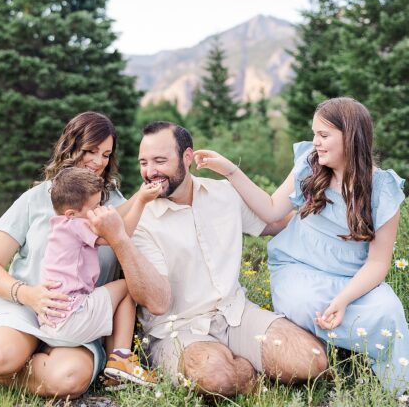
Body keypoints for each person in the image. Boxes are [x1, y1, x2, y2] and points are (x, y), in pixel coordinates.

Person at [0, 111, 171, 398]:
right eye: (90, 151)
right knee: (0, 356)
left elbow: (131, 264)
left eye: (106, 154)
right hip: (25, 307)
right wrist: (28, 295)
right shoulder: (37, 198)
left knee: (68, 380)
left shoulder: (119, 206)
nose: (98, 161)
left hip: (77, 316)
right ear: (70, 146)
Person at [194, 97, 408, 394]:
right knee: (303, 304)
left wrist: (344, 299)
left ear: (351, 136)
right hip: (300, 266)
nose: (315, 142)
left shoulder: (383, 189)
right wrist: (232, 171)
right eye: (314, 134)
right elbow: (270, 210)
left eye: (323, 135)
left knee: (388, 310)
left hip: (354, 277)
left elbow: (377, 264)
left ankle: (397, 390)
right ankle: (326, 360)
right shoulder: (309, 165)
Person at [132, 120, 328, 395]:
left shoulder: (223, 193)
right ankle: (242, 369)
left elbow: (272, 222)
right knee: (215, 377)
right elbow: (156, 301)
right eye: (143, 163)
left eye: (159, 161)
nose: (150, 172)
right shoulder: (140, 220)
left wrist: (330, 209)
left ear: (187, 157)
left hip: (236, 313)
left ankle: (235, 359)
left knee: (311, 360)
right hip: (178, 330)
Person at [39, 167, 161, 386]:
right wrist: (141, 200)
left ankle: (115, 369)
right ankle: (122, 358)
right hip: (73, 317)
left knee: (111, 292)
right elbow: (120, 235)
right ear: (71, 213)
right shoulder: (75, 225)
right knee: (126, 286)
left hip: (53, 322)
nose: (100, 211)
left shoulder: (59, 226)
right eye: (95, 207)